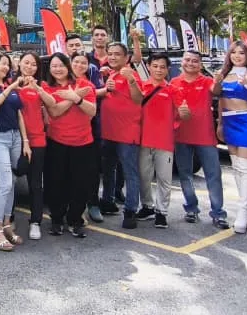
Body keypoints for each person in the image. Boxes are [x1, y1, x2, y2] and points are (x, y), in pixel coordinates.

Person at [0, 50, 32, 251]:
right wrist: (11, 86)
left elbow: (19, 114)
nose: (6, 67)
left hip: (15, 137)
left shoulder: (12, 88)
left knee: (13, 180)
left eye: (8, 64)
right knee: (5, 182)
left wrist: (25, 140)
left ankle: (7, 224)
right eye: (2, 63)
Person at [171, 50, 230, 229]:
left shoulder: (206, 81)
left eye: (195, 61)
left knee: (213, 175)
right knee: (185, 174)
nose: (190, 63)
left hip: (205, 136)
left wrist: (219, 80)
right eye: (187, 60)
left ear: (200, 64)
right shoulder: (173, 83)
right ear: (182, 62)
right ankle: (191, 208)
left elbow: (217, 90)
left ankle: (218, 212)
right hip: (181, 135)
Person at [41, 52, 97, 238]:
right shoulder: (46, 87)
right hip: (57, 141)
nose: (57, 69)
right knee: (56, 182)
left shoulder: (85, 85)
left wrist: (77, 98)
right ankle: (56, 219)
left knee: (80, 184)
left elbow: (92, 111)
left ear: (68, 67)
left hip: (83, 142)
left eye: (61, 65)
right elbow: (54, 112)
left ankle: (75, 220)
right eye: (53, 66)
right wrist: (72, 98)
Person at [212, 41, 247, 234]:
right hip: (229, 122)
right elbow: (218, 97)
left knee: (246, 168)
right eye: (234, 52)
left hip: (246, 121)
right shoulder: (223, 75)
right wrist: (220, 123)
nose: (237, 56)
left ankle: (242, 211)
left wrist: (244, 82)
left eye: (242, 53)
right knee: (236, 168)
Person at [99, 42, 144, 229]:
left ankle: (130, 210)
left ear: (126, 58)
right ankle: (108, 201)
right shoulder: (111, 74)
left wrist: (132, 81)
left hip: (127, 133)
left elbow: (138, 98)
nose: (112, 57)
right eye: (110, 54)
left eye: (117, 54)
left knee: (130, 172)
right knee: (108, 170)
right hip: (108, 132)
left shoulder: (130, 74)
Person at [137, 52, 182, 228]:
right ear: (148, 67)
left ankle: (162, 212)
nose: (158, 69)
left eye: (162, 67)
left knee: (164, 179)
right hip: (143, 140)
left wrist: (184, 114)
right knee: (143, 176)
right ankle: (147, 206)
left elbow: (181, 114)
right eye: (155, 66)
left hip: (164, 141)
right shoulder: (141, 87)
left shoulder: (173, 90)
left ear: (167, 69)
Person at [67, 32, 105, 223]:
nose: (75, 48)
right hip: (63, 131)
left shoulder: (92, 70)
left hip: (89, 128)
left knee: (91, 170)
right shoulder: (59, 70)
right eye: (71, 46)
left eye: (78, 45)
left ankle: (93, 203)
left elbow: (97, 93)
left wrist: (80, 96)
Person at [15, 52, 51, 239]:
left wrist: (38, 88)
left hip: (37, 139)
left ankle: (35, 221)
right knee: (10, 181)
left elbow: (51, 103)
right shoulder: (10, 84)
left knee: (35, 183)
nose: (29, 66)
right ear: (19, 63)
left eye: (33, 64)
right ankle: (7, 219)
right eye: (26, 63)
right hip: (14, 140)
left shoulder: (41, 86)